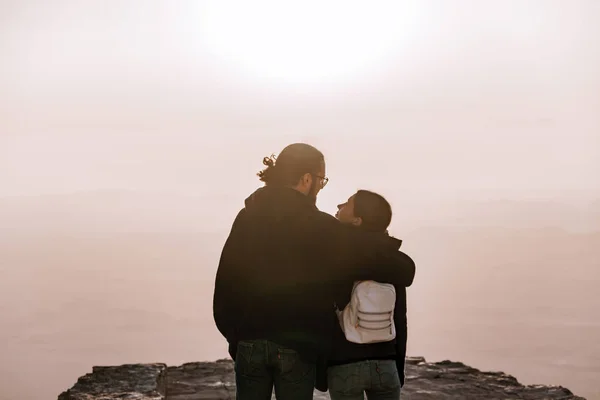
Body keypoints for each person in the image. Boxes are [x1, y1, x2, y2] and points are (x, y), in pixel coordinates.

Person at [213, 143, 415, 400]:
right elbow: (390, 265)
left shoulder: (246, 217)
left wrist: (236, 337)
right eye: (321, 179)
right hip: (299, 347)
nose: (321, 186)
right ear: (306, 179)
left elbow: (226, 281)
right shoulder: (320, 226)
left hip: (249, 343)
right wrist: (403, 263)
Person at [325, 190, 413, 400]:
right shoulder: (394, 262)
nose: (339, 206)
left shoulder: (334, 254)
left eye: (346, 204)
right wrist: (398, 366)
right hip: (385, 363)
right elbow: (399, 318)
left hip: (343, 363)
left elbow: (323, 311)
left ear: (357, 220)